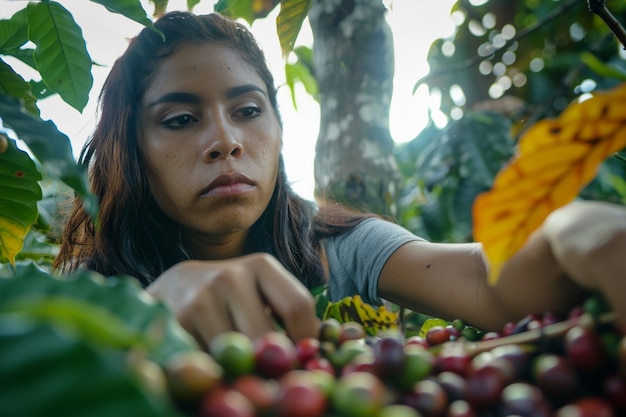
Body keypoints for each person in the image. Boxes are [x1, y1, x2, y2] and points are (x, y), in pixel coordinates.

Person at [53, 11, 626, 350]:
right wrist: (145, 318)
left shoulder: (337, 247)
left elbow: (486, 280)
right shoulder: (88, 295)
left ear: (279, 129)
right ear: (131, 152)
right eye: (180, 120)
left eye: (249, 111)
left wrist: (577, 230)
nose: (225, 140)